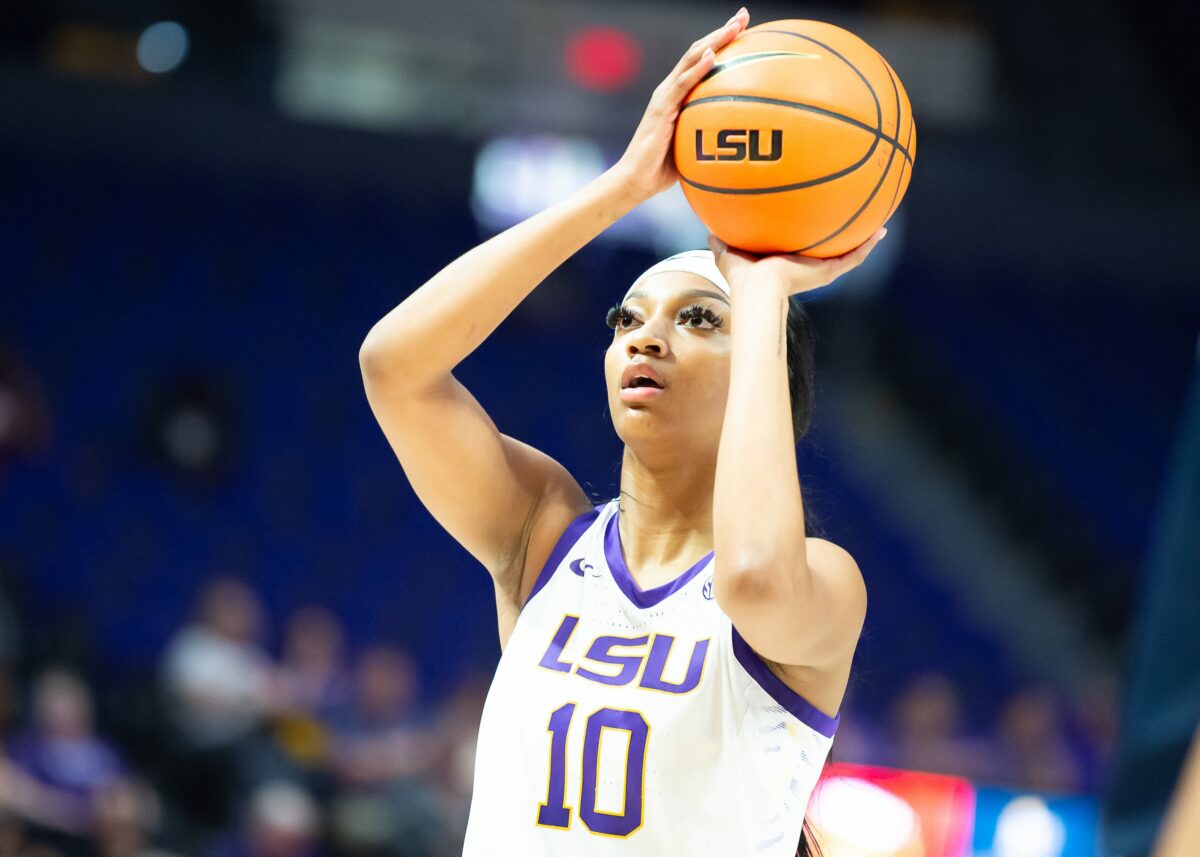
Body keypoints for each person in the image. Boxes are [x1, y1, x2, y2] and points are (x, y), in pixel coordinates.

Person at [359, 7, 881, 855]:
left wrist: (761, 293)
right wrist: (625, 186)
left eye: (699, 318)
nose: (643, 336)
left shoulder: (823, 583)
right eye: (624, 316)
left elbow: (750, 576)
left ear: (764, 372)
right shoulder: (545, 531)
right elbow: (395, 366)